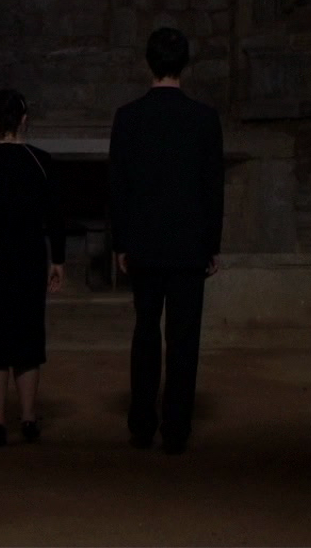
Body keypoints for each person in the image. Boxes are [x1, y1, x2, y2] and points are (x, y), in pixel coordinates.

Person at [109, 27, 224, 455]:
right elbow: (212, 188)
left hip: (144, 242)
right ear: (185, 64)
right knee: (183, 338)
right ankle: (176, 428)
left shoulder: (128, 117)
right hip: (189, 243)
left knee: (145, 332)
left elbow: (118, 187)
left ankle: (142, 423)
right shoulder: (204, 119)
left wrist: (121, 243)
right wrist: (212, 244)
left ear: (149, 63)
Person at [0, 89, 65, 447]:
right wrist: (58, 260)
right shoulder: (40, 162)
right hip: (27, 259)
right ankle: (29, 416)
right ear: (24, 120)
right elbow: (55, 217)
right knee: (27, 336)